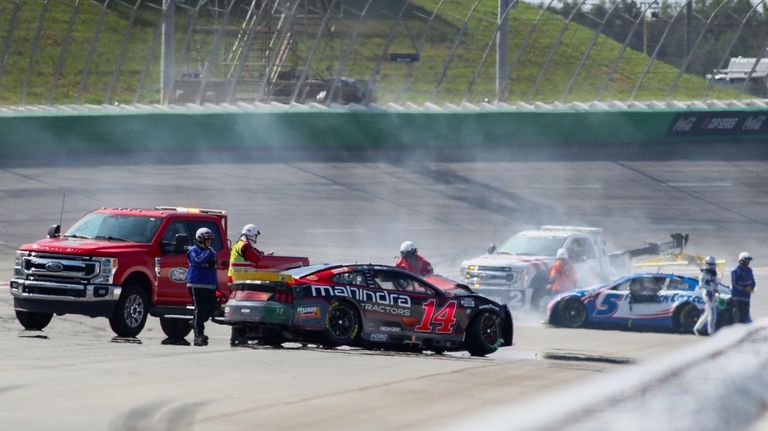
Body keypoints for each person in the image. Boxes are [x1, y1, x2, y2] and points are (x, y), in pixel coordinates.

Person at [187, 227, 218, 346]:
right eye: (207, 240)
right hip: (196, 283)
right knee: (200, 309)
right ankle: (199, 334)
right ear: (200, 239)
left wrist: (217, 286)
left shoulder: (211, 251)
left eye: (211, 240)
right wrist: (208, 253)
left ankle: (195, 322)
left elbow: (213, 269)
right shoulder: (193, 250)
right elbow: (197, 261)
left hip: (209, 285)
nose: (209, 242)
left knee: (211, 309)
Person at [694, 255, 719, 336]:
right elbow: (701, 285)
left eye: (714, 264)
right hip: (707, 294)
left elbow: (715, 283)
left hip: (712, 294)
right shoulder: (704, 273)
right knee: (713, 314)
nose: (713, 266)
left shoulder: (713, 273)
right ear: (707, 264)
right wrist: (712, 288)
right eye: (711, 264)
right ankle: (711, 332)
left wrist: (715, 287)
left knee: (707, 313)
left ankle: (697, 328)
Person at [731, 251, 755, 324]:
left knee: (745, 314)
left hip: (746, 297)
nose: (748, 262)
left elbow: (753, 281)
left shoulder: (749, 270)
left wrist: (752, 287)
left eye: (749, 261)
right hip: (737, 297)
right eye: (747, 261)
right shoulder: (735, 270)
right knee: (738, 315)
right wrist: (744, 288)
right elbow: (735, 283)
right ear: (741, 261)